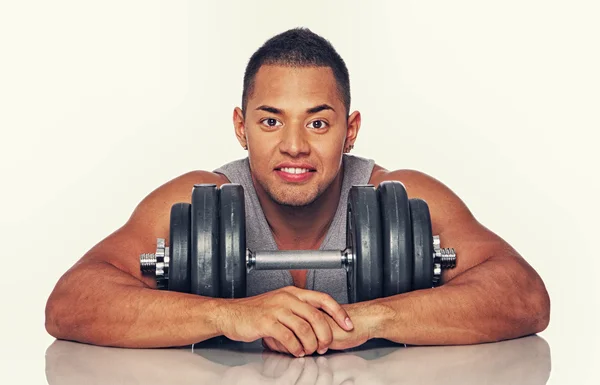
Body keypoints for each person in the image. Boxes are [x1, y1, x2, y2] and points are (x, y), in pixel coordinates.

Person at [44, 27, 550, 358]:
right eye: (271, 120)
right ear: (241, 127)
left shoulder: (401, 194)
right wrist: (234, 315)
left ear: (349, 130)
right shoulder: (196, 199)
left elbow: (525, 295)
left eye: (318, 122)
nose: (294, 146)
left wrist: (369, 319)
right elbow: (68, 304)